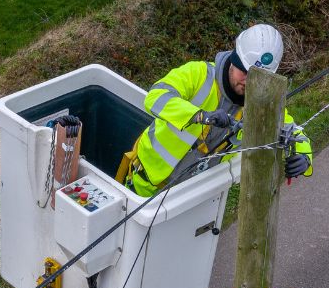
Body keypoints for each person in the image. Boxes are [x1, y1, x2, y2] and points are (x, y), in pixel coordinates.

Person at [124, 23, 314, 197]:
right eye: (244, 72)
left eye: (258, 77)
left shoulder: (263, 105)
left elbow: (294, 131)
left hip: (192, 196)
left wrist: (304, 157)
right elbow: (156, 96)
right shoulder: (199, 74)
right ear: (234, 60)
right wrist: (200, 116)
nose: (249, 82)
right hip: (146, 184)